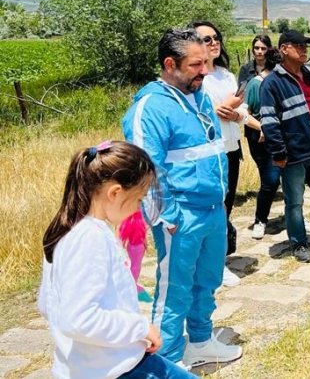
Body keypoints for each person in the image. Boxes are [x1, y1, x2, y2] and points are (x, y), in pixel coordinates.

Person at [122, 28, 242, 366]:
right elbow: (147, 170)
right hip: (181, 217)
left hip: (213, 210)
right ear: (169, 64)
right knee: (175, 289)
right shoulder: (151, 107)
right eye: (195, 65)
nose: (204, 71)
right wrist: (167, 216)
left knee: (208, 281)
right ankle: (169, 358)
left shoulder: (201, 95)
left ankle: (201, 340)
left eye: (206, 62)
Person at [38, 141, 195, 379]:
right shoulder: (89, 238)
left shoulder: (67, 228)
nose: (138, 209)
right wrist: (139, 328)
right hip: (115, 369)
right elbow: (79, 319)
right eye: (139, 199)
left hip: (96, 365)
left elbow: (48, 305)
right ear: (115, 192)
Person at [259, 30, 310, 262]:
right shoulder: (271, 83)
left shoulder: (308, 74)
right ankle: (299, 243)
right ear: (284, 49)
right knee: (294, 202)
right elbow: (270, 121)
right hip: (292, 155)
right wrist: (279, 152)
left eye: (305, 46)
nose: (304, 49)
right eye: (298, 45)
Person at [193, 21, 247, 288]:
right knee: (209, 208)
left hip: (231, 147)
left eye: (216, 38)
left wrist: (235, 112)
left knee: (225, 208)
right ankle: (207, 263)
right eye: (206, 39)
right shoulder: (193, 78)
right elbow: (198, 114)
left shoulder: (226, 74)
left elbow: (241, 110)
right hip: (207, 151)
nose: (213, 43)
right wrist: (225, 107)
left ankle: (219, 261)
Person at [245, 48, 282, 240]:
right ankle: (260, 220)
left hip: (279, 136)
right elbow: (245, 114)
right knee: (270, 180)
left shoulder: (281, 82)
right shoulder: (255, 84)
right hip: (259, 140)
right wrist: (262, 127)